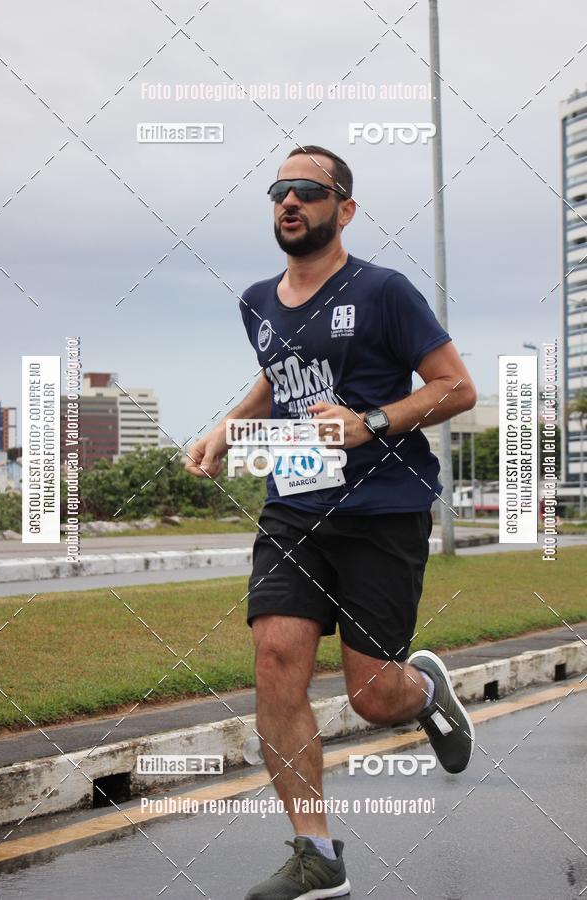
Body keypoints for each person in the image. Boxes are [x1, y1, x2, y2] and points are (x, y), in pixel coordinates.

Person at [185, 145, 477, 900]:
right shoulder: (256, 300)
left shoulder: (383, 291)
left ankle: (425, 690)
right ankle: (317, 854)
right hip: (296, 507)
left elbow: (456, 387)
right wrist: (226, 427)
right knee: (277, 655)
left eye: (309, 191)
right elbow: (279, 374)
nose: (290, 201)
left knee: (372, 697)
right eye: (280, 189)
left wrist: (369, 421)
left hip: (385, 509)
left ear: (343, 209)